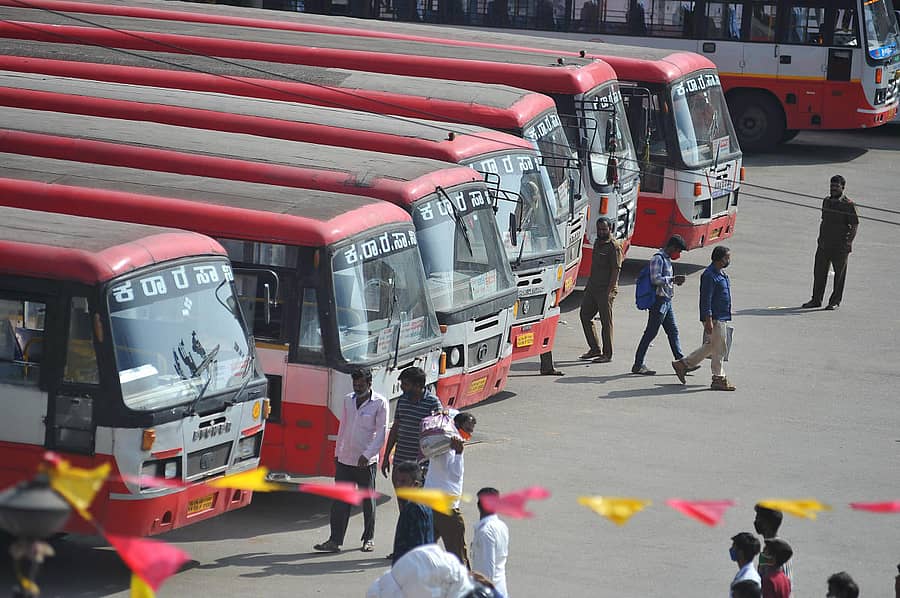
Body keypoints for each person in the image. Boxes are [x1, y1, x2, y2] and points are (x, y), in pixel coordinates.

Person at [314, 368, 388, 553]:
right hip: (345, 459)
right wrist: (337, 453)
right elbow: (343, 427)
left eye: (361, 384)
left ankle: (368, 538)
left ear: (369, 383)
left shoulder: (380, 403)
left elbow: (381, 433)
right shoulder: (348, 400)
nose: (357, 387)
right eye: (355, 384)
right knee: (340, 502)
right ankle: (334, 540)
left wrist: (369, 454)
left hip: (366, 461)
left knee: (367, 501)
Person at [672, 245, 735, 391]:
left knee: (712, 346)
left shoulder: (721, 273)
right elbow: (705, 299)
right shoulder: (709, 275)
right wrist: (708, 319)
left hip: (721, 315)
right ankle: (718, 378)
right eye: (727, 258)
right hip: (714, 317)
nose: (728, 260)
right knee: (719, 348)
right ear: (719, 259)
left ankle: (683, 364)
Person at [382, 366, 442, 504]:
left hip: (420, 464)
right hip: (400, 461)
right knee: (402, 502)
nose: (402, 387)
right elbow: (396, 428)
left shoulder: (432, 403)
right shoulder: (402, 400)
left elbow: (438, 434)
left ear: (418, 385)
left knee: (417, 504)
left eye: (405, 384)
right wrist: (386, 457)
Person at [424, 412, 476, 567]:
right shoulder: (452, 445)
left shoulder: (439, 442)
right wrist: (459, 454)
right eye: (467, 429)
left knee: (425, 548)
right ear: (457, 426)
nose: (469, 434)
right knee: (457, 553)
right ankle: (464, 585)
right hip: (447, 509)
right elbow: (455, 475)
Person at [632, 234, 689, 375]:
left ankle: (681, 362)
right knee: (650, 333)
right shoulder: (658, 258)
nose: (679, 254)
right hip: (659, 302)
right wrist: (673, 279)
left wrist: (673, 281)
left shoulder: (667, 259)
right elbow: (655, 279)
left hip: (666, 301)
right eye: (678, 251)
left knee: (673, 331)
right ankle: (638, 364)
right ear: (672, 247)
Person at [802, 175, 859, 310]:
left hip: (840, 246)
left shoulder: (848, 204)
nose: (833, 188)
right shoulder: (826, 201)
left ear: (843, 188)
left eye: (836, 186)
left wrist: (849, 242)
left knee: (839, 275)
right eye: (831, 186)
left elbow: (855, 225)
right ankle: (816, 300)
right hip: (823, 244)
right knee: (819, 273)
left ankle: (834, 301)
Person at [579, 217, 622, 364]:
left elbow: (616, 271)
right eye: (599, 229)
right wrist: (588, 287)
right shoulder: (598, 242)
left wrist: (609, 291)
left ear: (610, 229)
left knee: (606, 322)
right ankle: (595, 348)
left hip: (605, 290)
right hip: (593, 287)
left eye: (604, 229)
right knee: (585, 315)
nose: (601, 232)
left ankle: (607, 354)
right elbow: (595, 267)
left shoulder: (614, 246)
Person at [391, 461, 434, 565]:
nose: (398, 485)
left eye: (403, 482)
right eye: (397, 481)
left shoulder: (414, 508)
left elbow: (417, 545)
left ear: (415, 484)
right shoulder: (420, 503)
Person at [471, 487, 509, 597]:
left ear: (479, 505)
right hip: (500, 589)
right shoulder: (502, 526)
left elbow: (487, 574)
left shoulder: (485, 532)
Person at [754, 504, 793, 585]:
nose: (755, 521)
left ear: (766, 523)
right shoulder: (783, 548)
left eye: (758, 518)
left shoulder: (769, 552)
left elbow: (764, 581)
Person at [729, 532, 761, 596]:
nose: (731, 549)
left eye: (733, 546)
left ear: (740, 552)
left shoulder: (747, 579)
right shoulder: (744, 573)